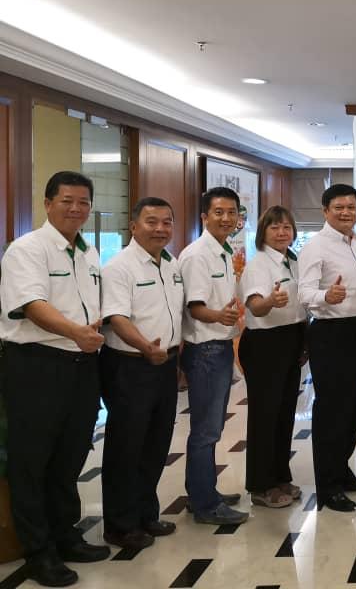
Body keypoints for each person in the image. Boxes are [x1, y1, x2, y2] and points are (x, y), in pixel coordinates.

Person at [0, 171, 110, 587]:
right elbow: (31, 304)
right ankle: (38, 551)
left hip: (82, 365)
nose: (76, 209)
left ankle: (66, 535)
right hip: (36, 364)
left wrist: (92, 329)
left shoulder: (89, 252)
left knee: (70, 454)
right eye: (67, 201)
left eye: (83, 202)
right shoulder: (26, 249)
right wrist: (76, 332)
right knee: (32, 460)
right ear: (48, 203)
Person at [99, 197, 184, 551]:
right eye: (152, 222)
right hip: (131, 366)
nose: (160, 228)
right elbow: (117, 318)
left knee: (155, 443)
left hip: (165, 363)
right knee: (126, 445)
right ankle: (119, 525)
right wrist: (147, 349)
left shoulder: (171, 263)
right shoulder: (119, 267)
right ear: (134, 226)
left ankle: (145, 513)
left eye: (166, 222)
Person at [298, 184, 356, 512]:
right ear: (325, 211)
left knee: (352, 407)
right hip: (331, 334)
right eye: (339, 207)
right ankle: (327, 486)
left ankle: (342, 471)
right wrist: (325, 297)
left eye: (352, 207)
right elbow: (304, 293)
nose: (346, 213)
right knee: (331, 411)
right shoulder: (315, 247)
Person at [178, 186, 248, 525]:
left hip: (219, 347)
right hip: (205, 349)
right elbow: (195, 306)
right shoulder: (196, 255)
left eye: (231, 212)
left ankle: (204, 492)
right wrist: (219, 317)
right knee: (206, 431)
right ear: (204, 217)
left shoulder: (221, 251)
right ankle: (205, 505)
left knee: (212, 428)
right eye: (218, 212)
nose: (226, 218)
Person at [239, 206, 306, 510]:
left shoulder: (292, 260)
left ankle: (280, 476)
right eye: (275, 228)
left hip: (291, 340)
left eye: (287, 227)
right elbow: (255, 306)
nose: (282, 233)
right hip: (266, 344)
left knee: (284, 414)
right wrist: (270, 300)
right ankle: (260, 485)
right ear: (263, 232)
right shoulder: (259, 265)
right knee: (265, 417)